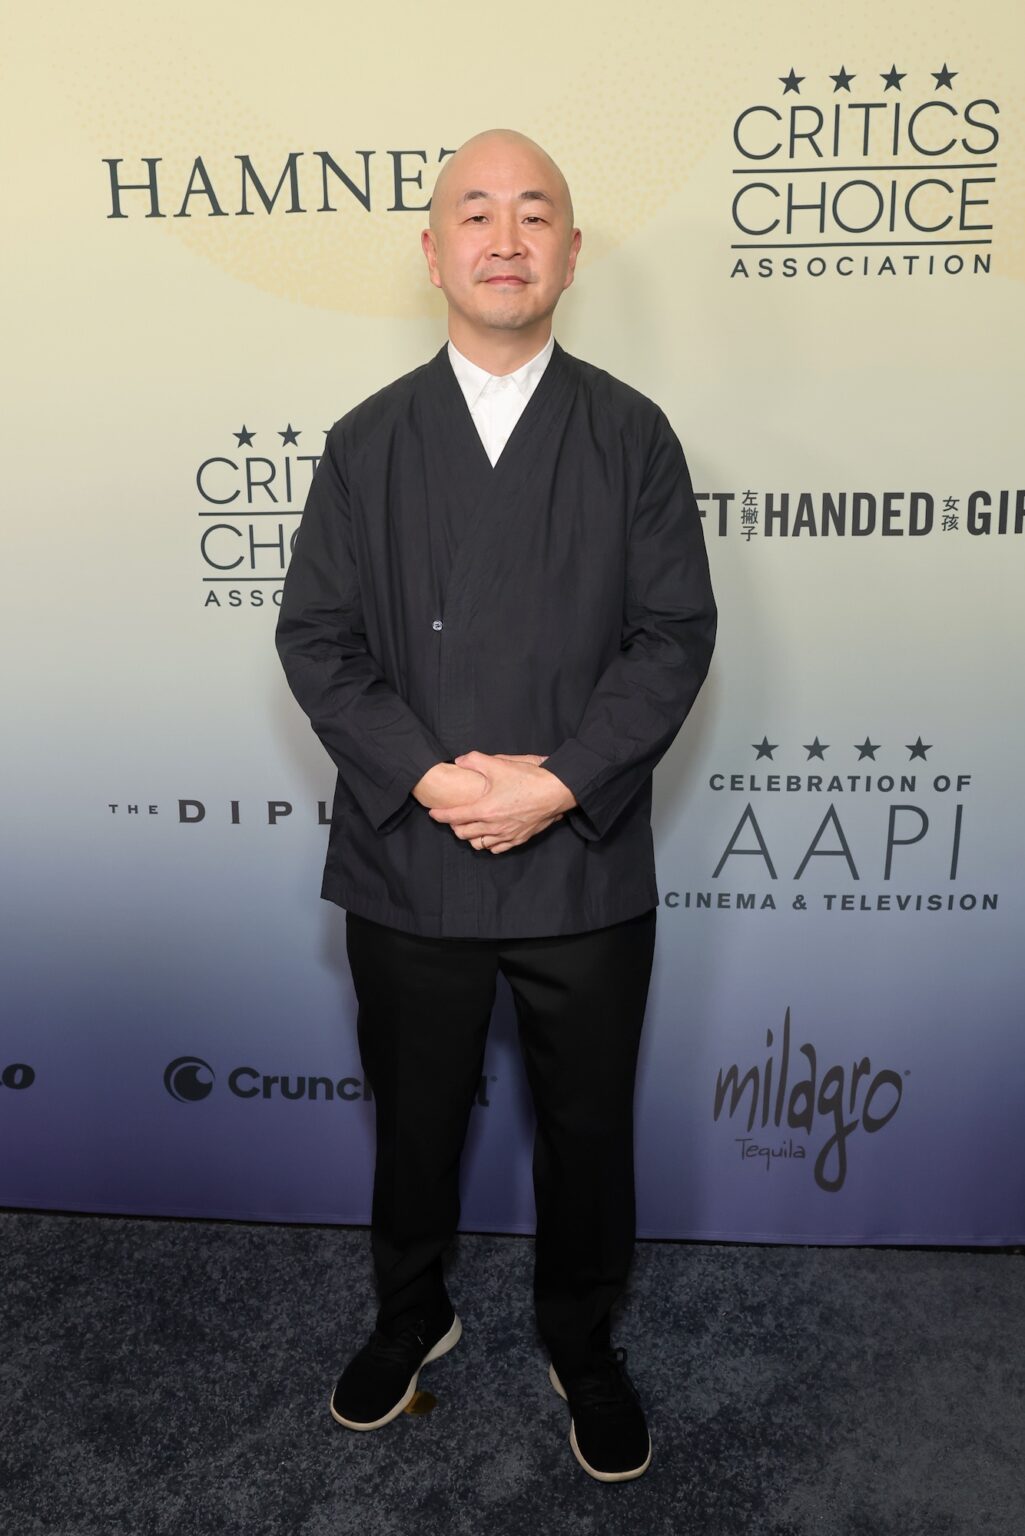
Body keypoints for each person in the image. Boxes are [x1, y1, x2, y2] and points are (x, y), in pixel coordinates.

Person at [274, 127, 716, 1483]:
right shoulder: (366, 442)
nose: (506, 238)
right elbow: (318, 641)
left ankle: (581, 1339)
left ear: (571, 255)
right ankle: (412, 1314)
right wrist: (434, 778)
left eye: (535, 214)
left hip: (579, 856)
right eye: (476, 212)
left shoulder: (631, 435)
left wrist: (557, 783)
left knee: (587, 1129)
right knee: (412, 1122)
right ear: (433, 252)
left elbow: (672, 638)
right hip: (412, 855)